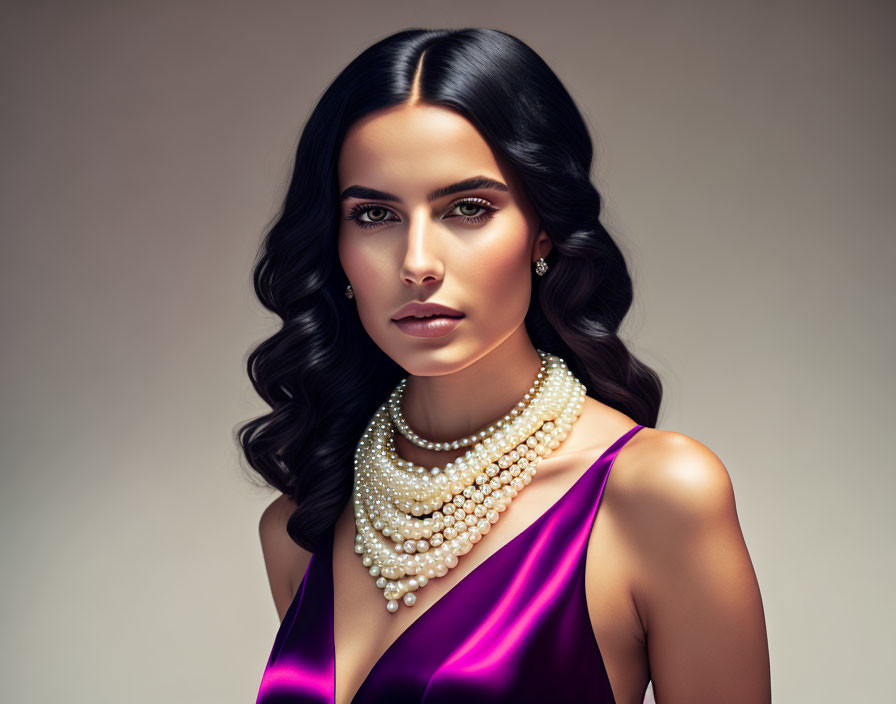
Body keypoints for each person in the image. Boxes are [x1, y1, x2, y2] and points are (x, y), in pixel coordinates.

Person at [241, 27, 771, 704]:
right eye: (374, 214)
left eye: (468, 208)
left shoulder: (655, 496)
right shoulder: (302, 528)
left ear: (542, 229)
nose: (417, 263)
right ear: (335, 247)